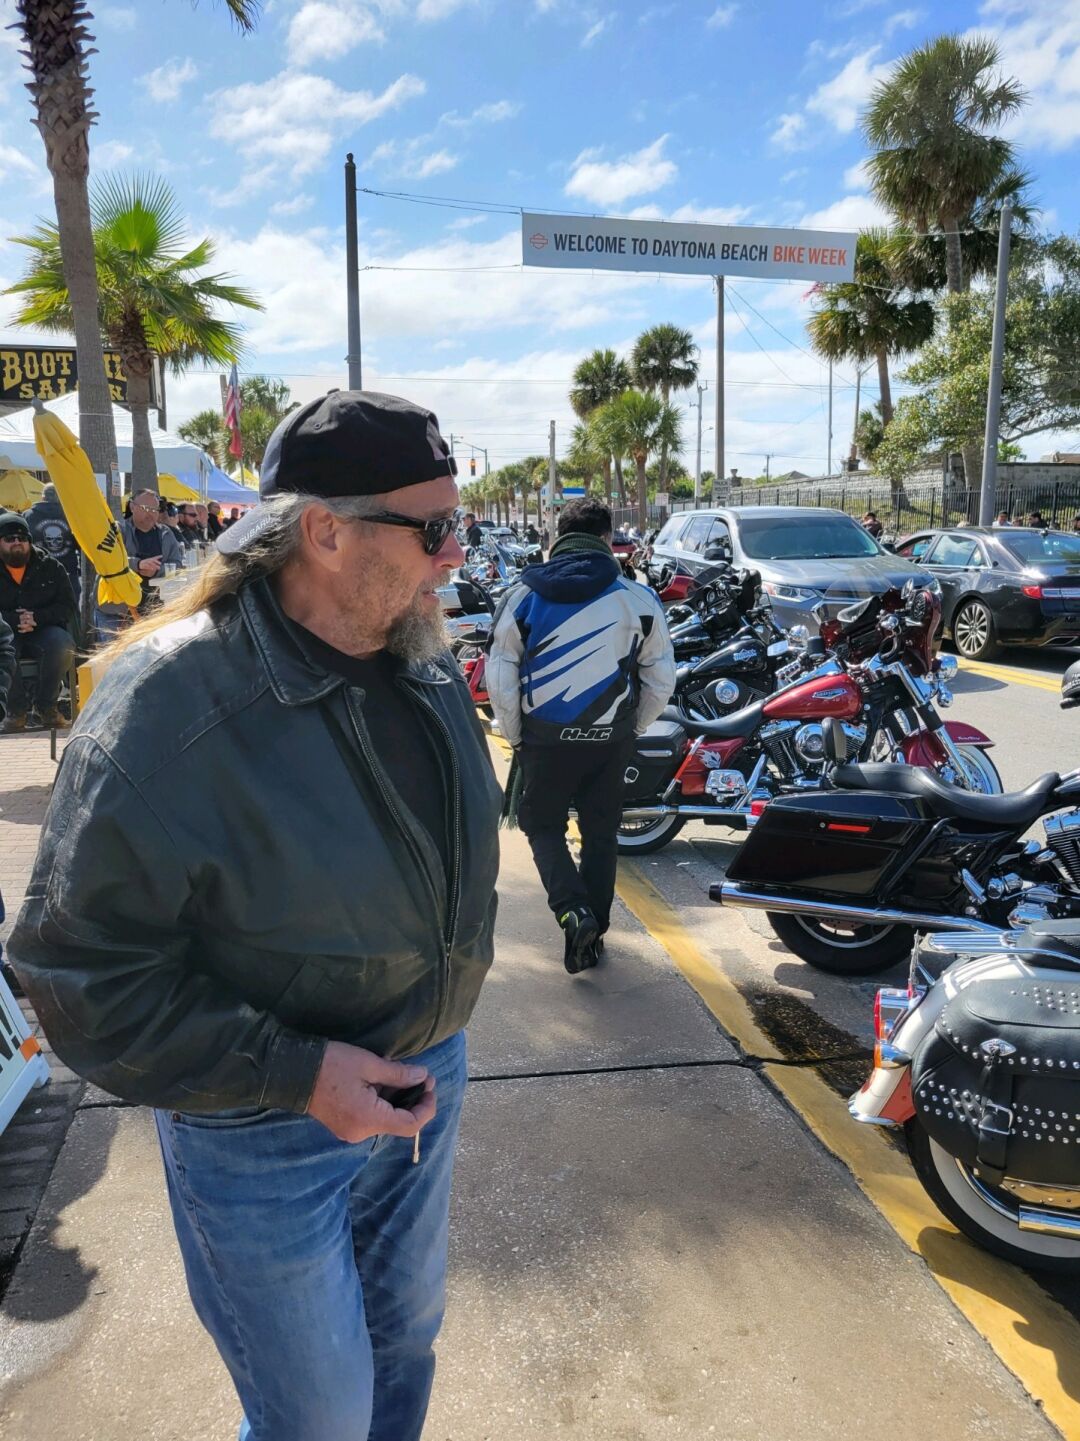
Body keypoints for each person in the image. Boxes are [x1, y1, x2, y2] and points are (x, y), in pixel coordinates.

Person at [8, 390, 501, 1441]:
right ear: (324, 530)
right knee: (315, 1418)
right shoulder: (167, 706)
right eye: (434, 529)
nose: (456, 555)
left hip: (425, 1077)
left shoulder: (415, 654)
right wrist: (297, 1071)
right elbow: (73, 970)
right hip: (264, 1127)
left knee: (404, 1348)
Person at [487, 496, 675, 973]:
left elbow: (501, 677)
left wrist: (517, 737)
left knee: (541, 824)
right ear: (607, 539)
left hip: (544, 739)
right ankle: (595, 934)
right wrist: (632, 728)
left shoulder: (523, 595)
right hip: (611, 739)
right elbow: (660, 680)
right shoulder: (637, 598)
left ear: (557, 537)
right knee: (601, 833)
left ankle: (573, 912)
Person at [0, 509, 76, 732]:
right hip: (5, 631)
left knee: (63, 644)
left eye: (22, 538)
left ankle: (46, 707)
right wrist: (14, 620)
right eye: (9, 538)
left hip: (43, 628)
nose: (17, 542)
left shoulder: (51, 566)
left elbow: (67, 606)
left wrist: (37, 617)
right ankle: (15, 711)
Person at [96, 489, 183, 642]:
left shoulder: (166, 533)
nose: (151, 513)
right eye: (145, 508)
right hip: (117, 611)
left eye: (155, 509)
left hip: (154, 610)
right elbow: (105, 560)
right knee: (115, 655)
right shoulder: (117, 530)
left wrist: (156, 571)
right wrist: (138, 564)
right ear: (132, 507)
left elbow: (177, 566)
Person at [25, 481, 81, 603]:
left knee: (39, 613)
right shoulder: (72, 516)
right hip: (68, 575)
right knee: (70, 612)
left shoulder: (28, 516)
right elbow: (81, 546)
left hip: (37, 576)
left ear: (43, 497)